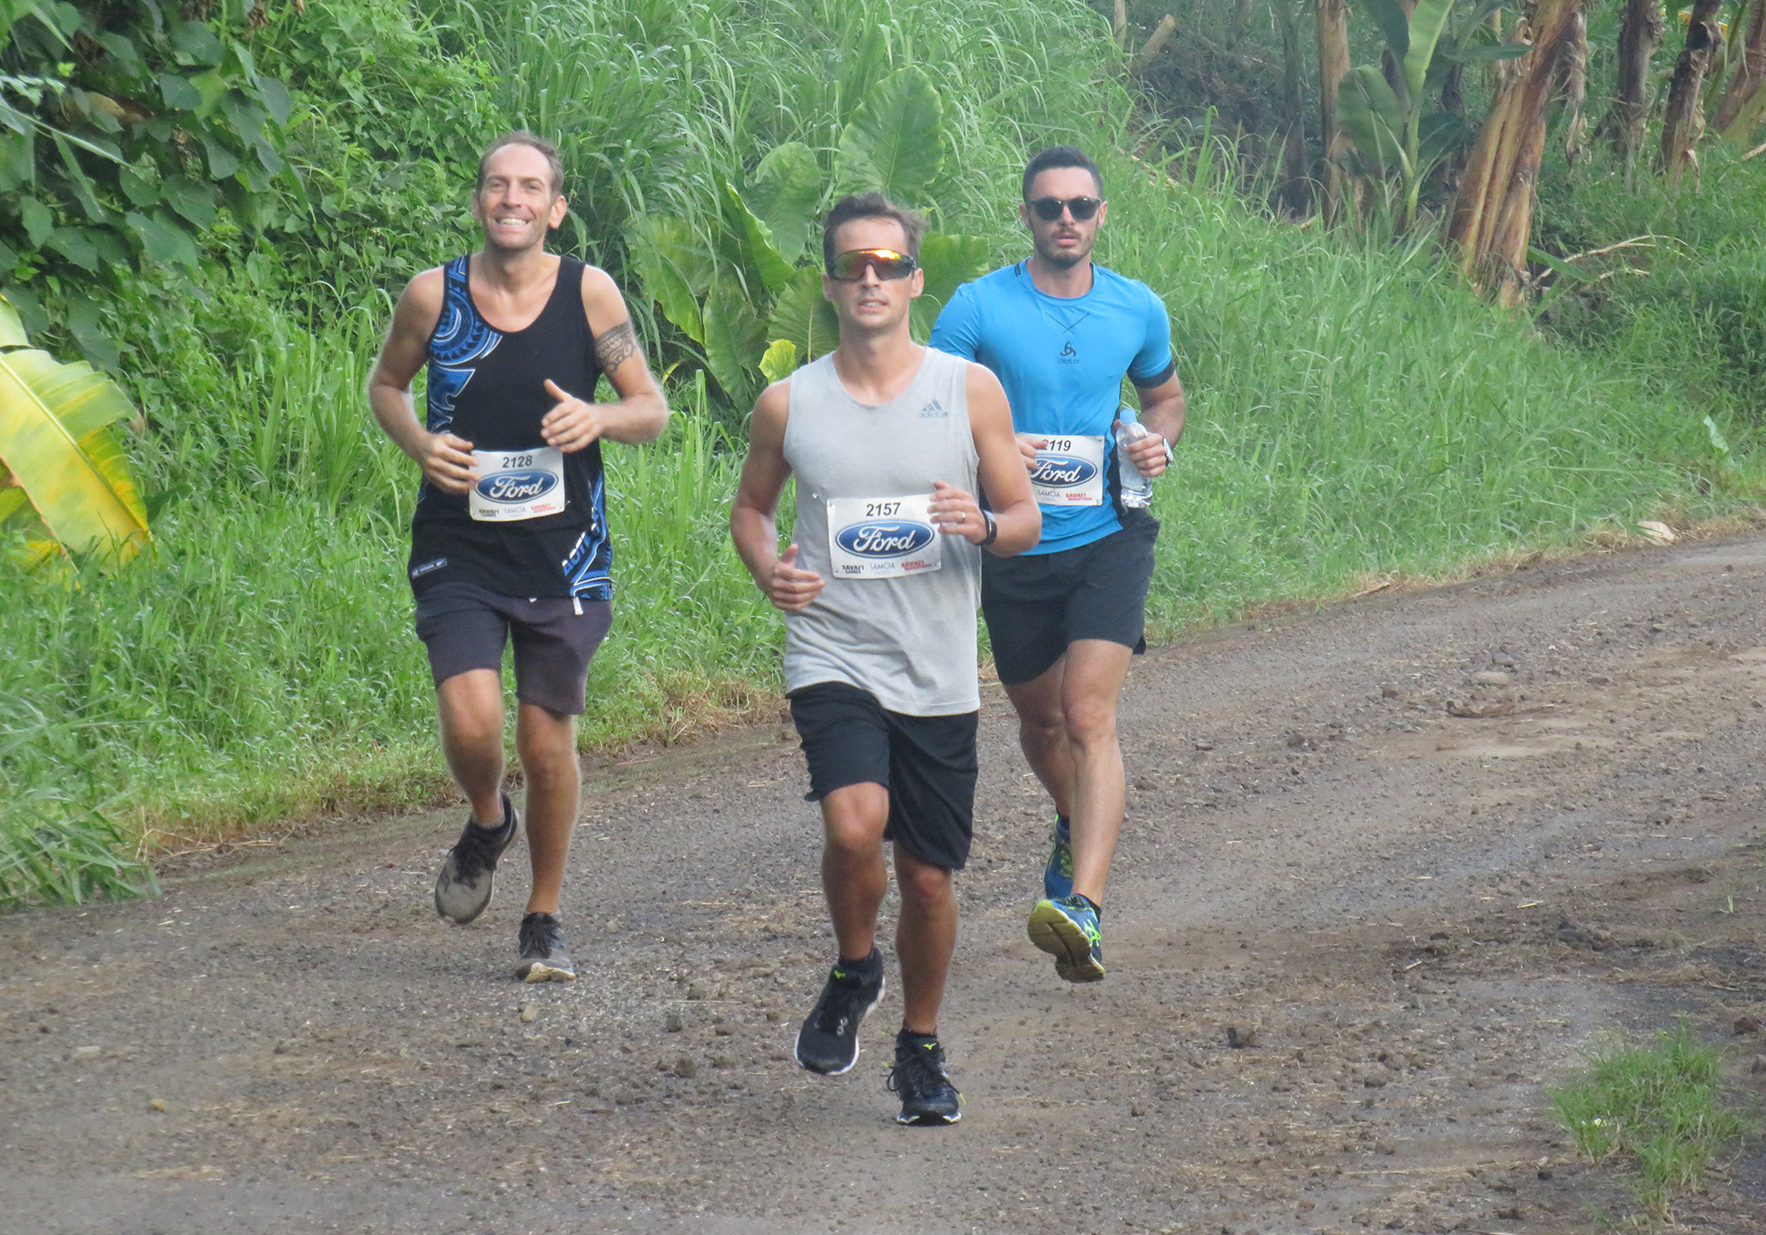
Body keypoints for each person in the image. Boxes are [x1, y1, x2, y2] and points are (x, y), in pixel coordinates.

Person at [730, 193, 1040, 1125]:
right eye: (851, 264)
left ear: (914, 281)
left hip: (937, 665)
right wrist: (768, 570)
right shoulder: (790, 401)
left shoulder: (967, 389)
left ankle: (920, 1045)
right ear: (828, 283)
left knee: (931, 877)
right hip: (833, 650)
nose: (870, 278)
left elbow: (1023, 519)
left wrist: (981, 522)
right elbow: (750, 511)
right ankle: (854, 960)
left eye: (887, 264)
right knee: (856, 826)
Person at [367, 131, 668, 982]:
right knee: (472, 723)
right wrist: (421, 444)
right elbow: (385, 386)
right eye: (497, 185)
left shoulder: (589, 294)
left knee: (546, 741)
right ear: (477, 201)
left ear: (554, 207)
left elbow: (651, 408)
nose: (512, 200)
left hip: (563, 551)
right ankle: (488, 817)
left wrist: (598, 418)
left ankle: (544, 914)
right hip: (458, 543)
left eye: (529, 187)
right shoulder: (433, 296)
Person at [928, 145, 1185, 984]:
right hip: (1011, 541)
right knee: (1039, 722)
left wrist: (1156, 441)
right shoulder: (977, 307)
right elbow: (926, 407)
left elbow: (1166, 395)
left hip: (1109, 534)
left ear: (1101, 214)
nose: (1066, 220)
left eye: (1080, 206)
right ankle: (1077, 819)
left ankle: (1086, 908)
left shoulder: (1136, 308)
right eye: (1049, 208)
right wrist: (991, 444)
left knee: (1085, 714)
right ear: (1027, 216)